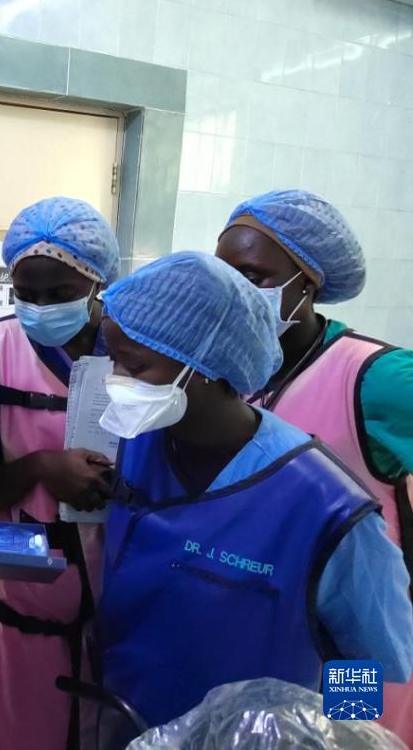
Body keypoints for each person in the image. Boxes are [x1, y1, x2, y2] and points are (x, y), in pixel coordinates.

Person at [93, 251, 413, 731]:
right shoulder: (140, 445)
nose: (117, 382)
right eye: (114, 361)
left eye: (134, 367)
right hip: (129, 719)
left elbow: (367, 653)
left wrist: (340, 735)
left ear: (203, 366)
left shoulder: (324, 507)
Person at [214, 189, 413, 744]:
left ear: (308, 281)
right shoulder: (231, 368)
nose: (236, 291)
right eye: (225, 274)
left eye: (253, 276)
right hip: (263, 613)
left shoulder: (375, 376)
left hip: (353, 638)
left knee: (348, 736)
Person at [0, 197, 120, 750]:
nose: (40, 309)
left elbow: (357, 649)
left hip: (124, 608)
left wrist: (348, 725)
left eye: (60, 294)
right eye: (26, 294)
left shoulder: (367, 383)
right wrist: (42, 468)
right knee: (32, 730)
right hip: (31, 601)